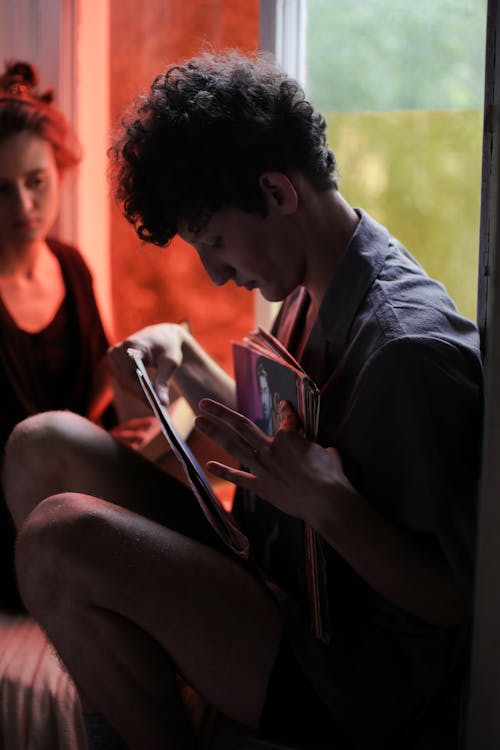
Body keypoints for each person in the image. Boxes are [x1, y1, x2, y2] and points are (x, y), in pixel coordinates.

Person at [3, 51, 483, 750]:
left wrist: (331, 505)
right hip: (276, 573)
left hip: (344, 670)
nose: (218, 271)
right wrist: (188, 363)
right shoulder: (317, 284)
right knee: (41, 444)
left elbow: (454, 597)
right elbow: (292, 445)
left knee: (58, 539)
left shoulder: (408, 352)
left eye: (216, 240)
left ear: (279, 192)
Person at [0, 60, 118, 611]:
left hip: (72, 495)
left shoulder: (72, 267)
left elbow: (98, 402)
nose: (23, 206)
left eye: (36, 182)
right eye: (1, 189)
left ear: (60, 175)